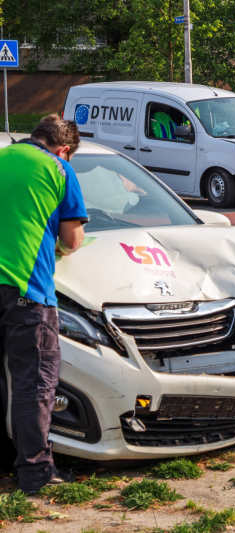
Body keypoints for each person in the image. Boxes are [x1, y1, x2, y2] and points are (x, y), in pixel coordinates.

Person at [0, 115, 88, 494]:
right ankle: (36, 475)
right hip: (25, 290)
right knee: (33, 384)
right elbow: (72, 240)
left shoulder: (3, 157)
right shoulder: (59, 168)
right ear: (64, 148)